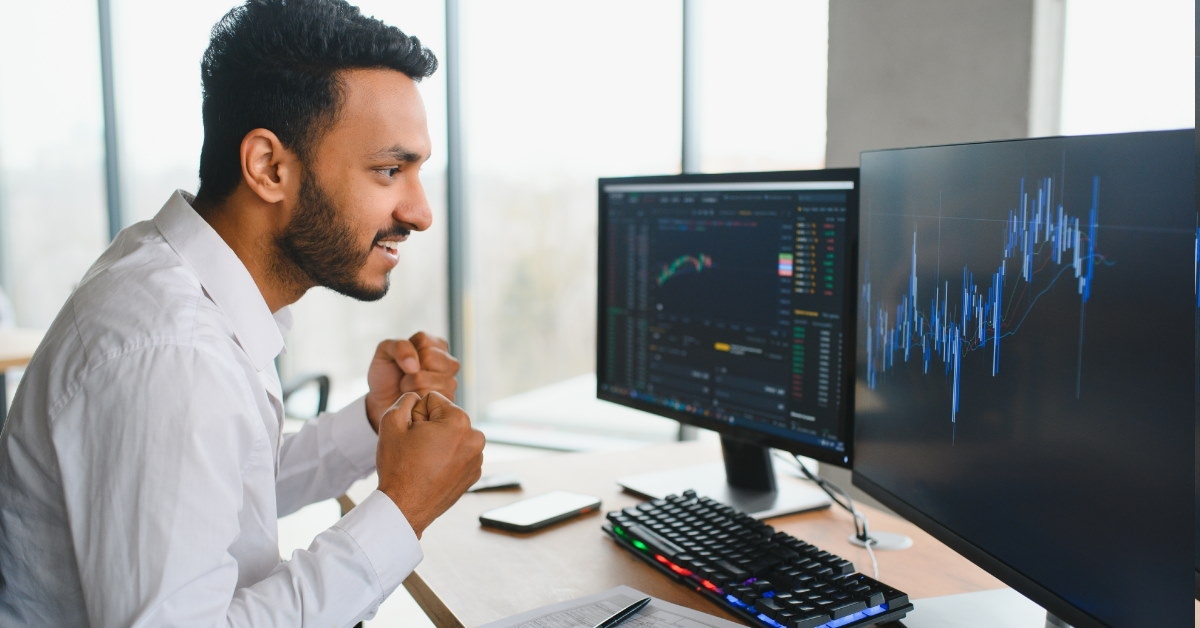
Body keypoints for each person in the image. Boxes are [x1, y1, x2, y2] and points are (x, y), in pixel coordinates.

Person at [0, 0, 485, 625]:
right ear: (268, 167)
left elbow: (217, 496)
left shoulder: (176, 283)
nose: (420, 212)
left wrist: (374, 421)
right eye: (390, 170)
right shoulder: (170, 352)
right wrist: (403, 508)